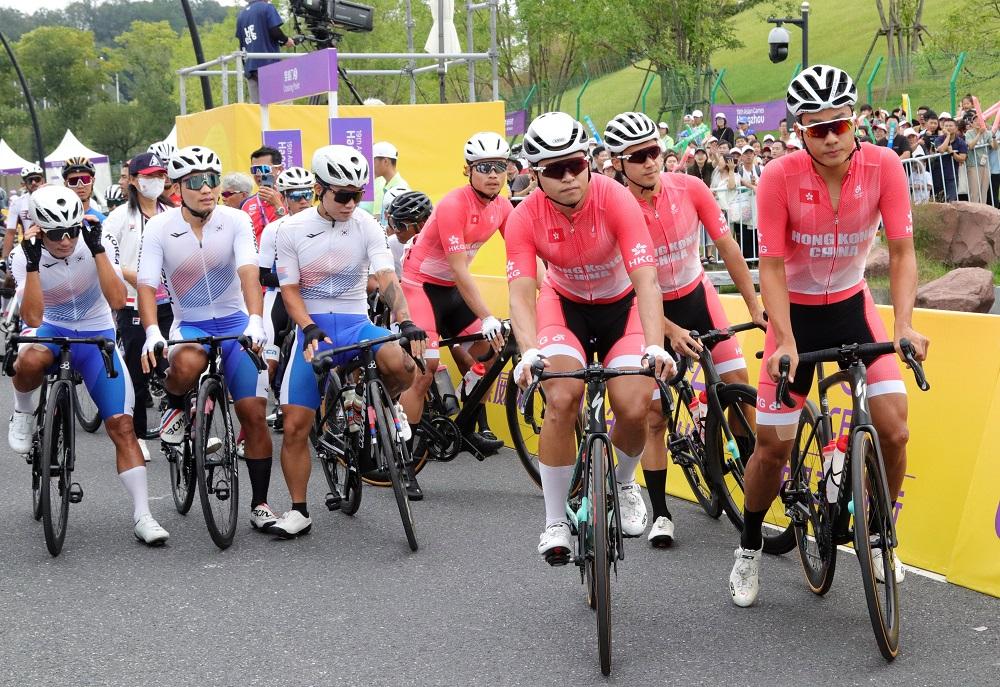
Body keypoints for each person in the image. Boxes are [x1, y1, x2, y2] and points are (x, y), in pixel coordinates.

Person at [729, 64, 929, 607]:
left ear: (855, 121)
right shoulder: (779, 176)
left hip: (851, 306)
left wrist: (904, 324)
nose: (832, 138)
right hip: (793, 313)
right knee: (772, 448)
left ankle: (882, 534)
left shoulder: (884, 165)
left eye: (840, 124)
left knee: (895, 431)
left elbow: (903, 253)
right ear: (800, 132)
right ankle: (749, 545)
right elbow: (771, 266)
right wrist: (783, 339)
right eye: (818, 129)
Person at [504, 111, 675, 562]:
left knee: (634, 404)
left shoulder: (615, 198)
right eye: (554, 169)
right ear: (535, 175)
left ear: (588, 162)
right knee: (561, 399)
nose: (568, 177)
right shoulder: (524, 217)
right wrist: (528, 351)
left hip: (623, 308)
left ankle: (623, 482)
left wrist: (655, 345)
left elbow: (646, 281)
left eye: (576, 164)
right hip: (565, 308)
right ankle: (555, 521)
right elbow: (521, 293)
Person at [605, 112, 764, 545]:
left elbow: (728, 246)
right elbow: (631, 289)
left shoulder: (690, 188)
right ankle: (660, 512)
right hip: (651, 312)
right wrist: (670, 330)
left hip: (698, 294)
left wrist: (754, 304)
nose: (650, 162)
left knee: (738, 385)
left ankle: (753, 483)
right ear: (618, 163)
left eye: (654, 151)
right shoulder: (616, 208)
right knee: (655, 416)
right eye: (638, 156)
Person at [275, 145, 425, 536]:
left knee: (404, 363)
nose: (351, 204)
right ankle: (298, 510)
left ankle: (382, 404)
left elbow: (386, 277)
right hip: (315, 329)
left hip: (357, 324)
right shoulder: (291, 229)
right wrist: (307, 327)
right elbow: (289, 290)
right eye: (342, 196)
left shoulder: (366, 225)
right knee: (295, 426)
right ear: (318, 189)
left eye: (357, 195)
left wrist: (406, 321)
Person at [9, 186, 169, 545]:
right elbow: (32, 317)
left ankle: (143, 515)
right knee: (28, 357)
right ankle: (22, 411)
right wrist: (33, 265)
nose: (65, 241)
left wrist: (97, 251)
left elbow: (118, 301)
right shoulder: (23, 254)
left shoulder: (97, 241)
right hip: (51, 328)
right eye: (55, 234)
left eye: (71, 231)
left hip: (97, 333)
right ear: (39, 230)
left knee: (122, 426)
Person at [137, 146, 276, 534]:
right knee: (187, 362)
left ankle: (261, 504)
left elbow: (248, 273)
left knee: (254, 414)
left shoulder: (235, 220)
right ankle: (174, 404)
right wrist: (152, 333)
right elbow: (146, 285)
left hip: (235, 321)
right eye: (196, 182)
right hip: (191, 324)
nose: (206, 188)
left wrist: (255, 320)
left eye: (212, 180)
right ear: (178, 188)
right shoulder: (159, 228)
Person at [398, 132, 514, 466]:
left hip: (451, 291)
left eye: (500, 166)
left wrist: (546, 287)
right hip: (421, 288)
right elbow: (459, 268)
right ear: (468, 170)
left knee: (491, 355)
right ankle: (404, 458)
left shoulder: (503, 206)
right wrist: (487, 316)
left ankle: (462, 424)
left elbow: (520, 253)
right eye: (484, 167)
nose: (493, 174)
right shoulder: (453, 204)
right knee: (426, 370)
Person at [102, 152, 176, 461]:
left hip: (170, 302)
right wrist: (137, 277)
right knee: (137, 370)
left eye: (159, 175)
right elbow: (107, 261)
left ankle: (179, 424)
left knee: (175, 365)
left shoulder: (173, 212)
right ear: (133, 180)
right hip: (133, 303)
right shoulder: (119, 217)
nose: (155, 181)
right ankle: (138, 435)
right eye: (148, 176)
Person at [257, 166, 315, 385]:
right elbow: (263, 277)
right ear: (283, 198)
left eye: (308, 194)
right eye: (296, 196)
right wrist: (292, 277)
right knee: (268, 367)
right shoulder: (274, 229)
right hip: (279, 298)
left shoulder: (327, 225)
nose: (304, 200)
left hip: (313, 298)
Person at [235, 0, 295, 103]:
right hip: (268, 65)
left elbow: (242, 42)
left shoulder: (241, 15)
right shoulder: (266, 7)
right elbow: (274, 30)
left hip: (250, 67)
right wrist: (286, 40)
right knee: (281, 104)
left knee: (257, 107)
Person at [241, 146, 286, 244]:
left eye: (263, 169)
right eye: (254, 170)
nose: (258, 174)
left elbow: (294, 231)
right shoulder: (246, 204)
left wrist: (277, 204)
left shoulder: (293, 198)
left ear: (279, 169)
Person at [385, 190, 433, 279]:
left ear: (422, 225)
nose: (396, 230)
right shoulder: (391, 243)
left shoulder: (441, 247)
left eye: (401, 225)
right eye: (393, 223)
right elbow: (375, 280)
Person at [3, 165, 44, 260]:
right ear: (25, 184)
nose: (34, 183)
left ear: (43, 180)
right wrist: (6, 259)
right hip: (29, 248)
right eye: (30, 180)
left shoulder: (53, 198)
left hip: (52, 247)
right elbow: (10, 233)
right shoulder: (17, 203)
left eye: (37, 179)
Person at [931, 113, 967, 202]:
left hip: (952, 175)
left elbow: (962, 158)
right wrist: (947, 136)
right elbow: (941, 150)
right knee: (938, 200)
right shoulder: (939, 139)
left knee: (951, 200)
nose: (948, 128)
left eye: (951, 126)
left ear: (956, 128)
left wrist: (952, 153)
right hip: (938, 174)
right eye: (946, 126)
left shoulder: (960, 142)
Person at [371, 141, 409, 218]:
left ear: (385, 161)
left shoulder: (400, 189)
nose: (371, 166)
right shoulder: (387, 185)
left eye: (373, 161)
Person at [62, 157, 104, 222]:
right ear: (66, 184)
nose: (80, 186)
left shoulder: (103, 221)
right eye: (73, 181)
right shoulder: (58, 220)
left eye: (85, 180)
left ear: (93, 181)